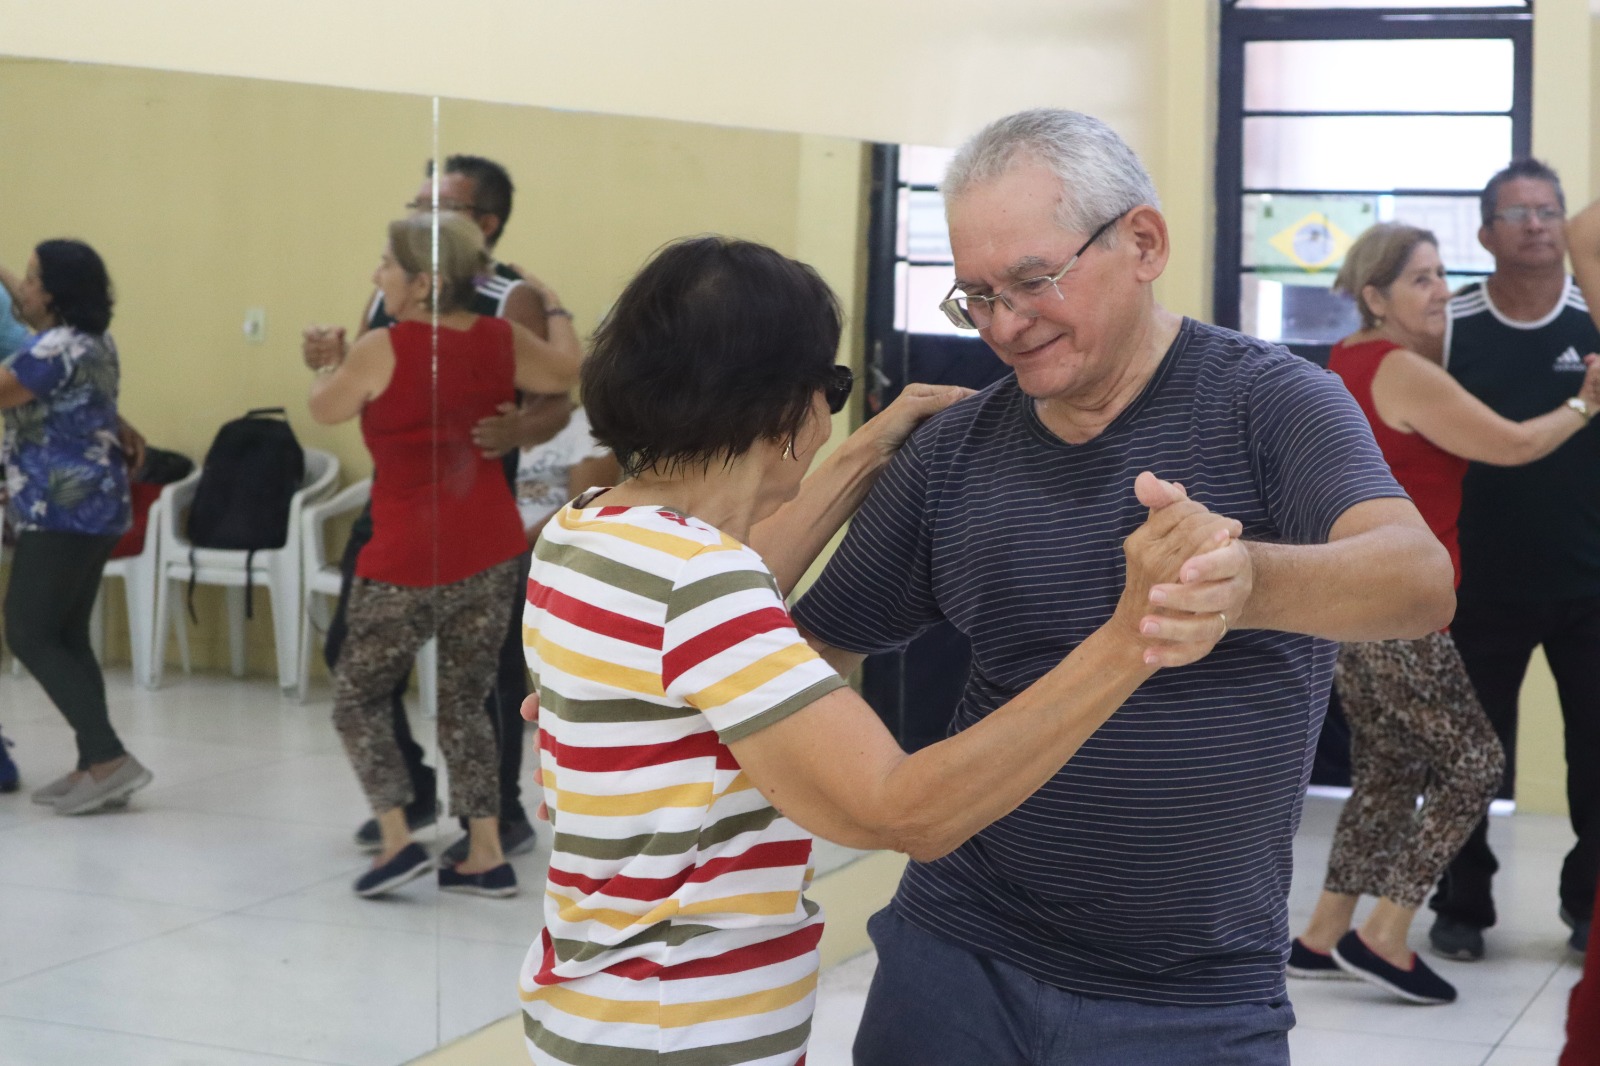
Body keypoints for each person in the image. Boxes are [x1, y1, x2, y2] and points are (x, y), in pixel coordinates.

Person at [785, 109, 1455, 1066]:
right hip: (957, 959)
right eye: (975, 296)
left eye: (1033, 281)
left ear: (1143, 242)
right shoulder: (954, 452)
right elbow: (813, 655)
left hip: (1195, 995)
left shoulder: (1271, 401)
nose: (1005, 326)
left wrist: (1243, 582)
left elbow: (1418, 581)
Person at [518, 233, 1257, 1065]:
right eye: (830, 391)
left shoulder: (588, 533)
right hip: (683, 1032)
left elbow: (724, 592)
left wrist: (868, 448)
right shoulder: (698, 584)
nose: (829, 418)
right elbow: (904, 809)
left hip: (590, 1010)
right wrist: (1135, 633)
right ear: (777, 406)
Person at [1290, 222, 1600, 1004]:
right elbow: (1514, 444)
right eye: (1421, 280)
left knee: (1390, 774)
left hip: (1355, 605)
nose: (1441, 292)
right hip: (1398, 606)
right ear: (1375, 297)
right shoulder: (1399, 369)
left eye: (1439, 274)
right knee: (1473, 765)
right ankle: (1386, 934)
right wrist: (1585, 401)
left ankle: (1321, 935)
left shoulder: (1349, 361)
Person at [304, 153, 576, 864]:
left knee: (480, 680)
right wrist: (334, 353)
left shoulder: (508, 296)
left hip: (469, 496)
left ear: (482, 223)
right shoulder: (399, 280)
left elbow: (558, 394)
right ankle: (415, 792)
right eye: (416, 202)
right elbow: (374, 369)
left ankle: (497, 816)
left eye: (439, 206)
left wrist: (523, 428)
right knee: (359, 655)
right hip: (395, 497)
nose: (419, 214)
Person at [1429, 161, 1600, 962]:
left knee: (1595, 761)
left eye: (1549, 211)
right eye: (1518, 213)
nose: (1537, 224)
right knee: (1469, 761)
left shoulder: (1593, 316)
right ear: (1487, 233)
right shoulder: (1449, 324)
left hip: (1589, 585)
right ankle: (1462, 908)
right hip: (1479, 588)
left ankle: (1587, 907)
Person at [0, 239, 148, 816]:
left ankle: (109, 756)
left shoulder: (51, 351)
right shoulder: (90, 339)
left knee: (30, 632)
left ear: (54, 294)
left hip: (60, 510)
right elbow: (26, 303)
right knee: (66, 634)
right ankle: (96, 763)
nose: (23, 288)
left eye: (33, 280)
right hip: (96, 506)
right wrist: (7, 273)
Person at [511, 402, 618, 543]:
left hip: (554, 548)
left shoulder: (586, 424)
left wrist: (513, 545)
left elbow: (583, 509)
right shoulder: (497, 422)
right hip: (498, 545)